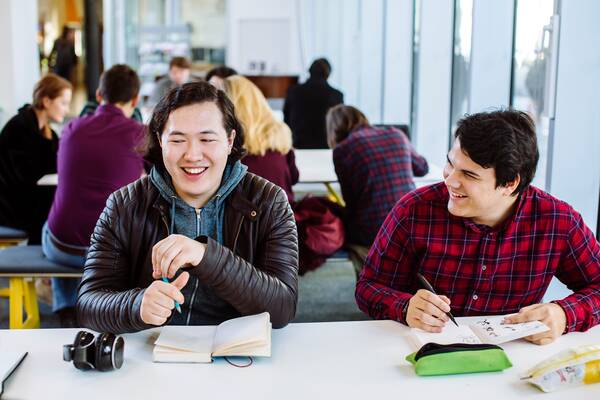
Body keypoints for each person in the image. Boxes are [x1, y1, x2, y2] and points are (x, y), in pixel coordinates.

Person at [355, 110, 600, 345]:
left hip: (513, 358)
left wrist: (564, 314)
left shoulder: (557, 221)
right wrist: (406, 307)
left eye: (469, 175)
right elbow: (367, 287)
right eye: (450, 164)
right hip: (422, 350)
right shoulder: (414, 210)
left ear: (510, 184)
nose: (450, 180)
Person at [76, 81, 299, 333]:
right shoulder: (124, 205)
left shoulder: (269, 201)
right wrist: (136, 305)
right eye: (178, 140)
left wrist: (206, 256)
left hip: (238, 356)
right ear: (160, 141)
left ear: (229, 140)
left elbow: (283, 307)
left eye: (207, 139)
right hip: (151, 356)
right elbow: (88, 303)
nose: (193, 155)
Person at [43, 64, 145, 327]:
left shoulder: (71, 128)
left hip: (62, 248)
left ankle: (65, 306)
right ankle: (102, 302)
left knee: (54, 222)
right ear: (134, 101)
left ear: (99, 95)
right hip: (110, 253)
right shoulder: (139, 135)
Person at [326, 105, 428, 271]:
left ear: (334, 130)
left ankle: (369, 277)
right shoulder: (396, 134)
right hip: (410, 224)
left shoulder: (342, 150)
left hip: (372, 231)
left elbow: (351, 202)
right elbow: (422, 168)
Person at [0, 74, 72, 244]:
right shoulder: (19, 127)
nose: (66, 110)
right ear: (47, 101)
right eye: (63, 103)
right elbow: (26, 175)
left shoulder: (49, 133)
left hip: (24, 199)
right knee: (55, 208)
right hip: (8, 205)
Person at [224, 75, 299, 202]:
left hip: (246, 219)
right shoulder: (280, 134)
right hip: (285, 215)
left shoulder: (230, 144)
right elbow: (294, 177)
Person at [284, 58, 343, 149]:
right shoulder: (337, 95)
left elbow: (286, 120)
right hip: (326, 147)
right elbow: (339, 125)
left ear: (310, 71)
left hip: (298, 145)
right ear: (328, 74)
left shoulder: (293, 92)